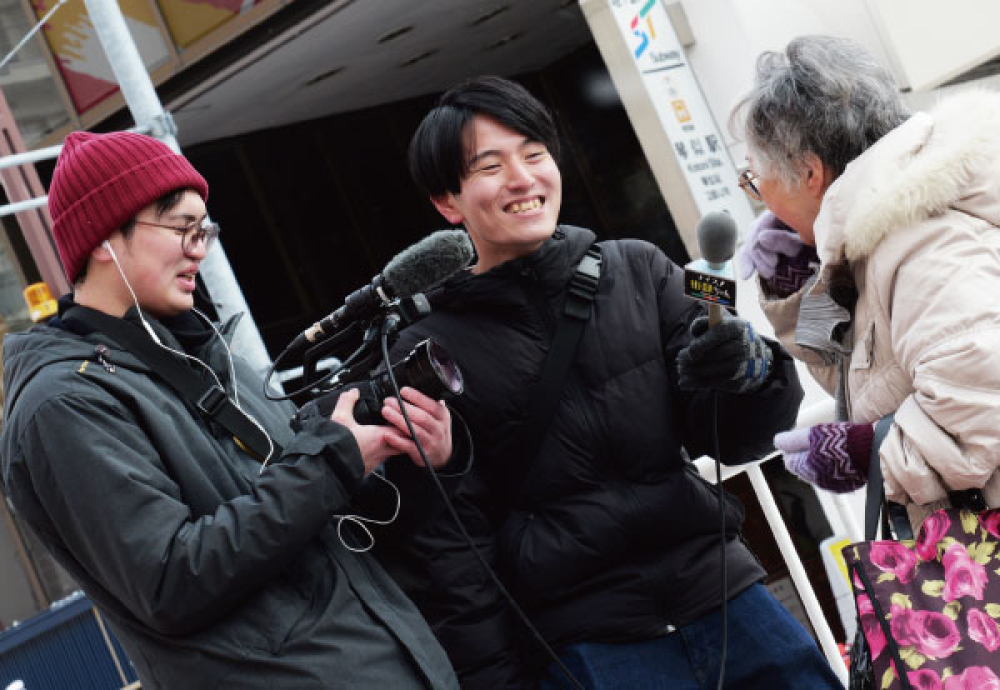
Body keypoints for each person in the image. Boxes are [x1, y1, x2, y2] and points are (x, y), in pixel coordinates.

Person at [374, 75, 842, 689]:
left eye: (535, 154)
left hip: (728, 600)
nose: (523, 178)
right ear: (447, 202)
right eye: (491, 165)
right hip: (588, 649)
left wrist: (752, 371)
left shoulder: (642, 265)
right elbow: (453, 553)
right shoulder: (424, 354)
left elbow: (732, 434)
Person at [0, 130, 462, 690]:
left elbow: (309, 521)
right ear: (103, 238)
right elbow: (171, 581)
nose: (200, 247)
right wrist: (332, 462)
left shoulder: (206, 358)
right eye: (182, 228)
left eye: (206, 230)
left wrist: (399, 457)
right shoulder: (62, 405)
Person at [732, 35, 1000, 527]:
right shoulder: (877, 241)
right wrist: (801, 282)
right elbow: (853, 374)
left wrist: (865, 452)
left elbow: (985, 412)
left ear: (810, 173)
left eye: (754, 181)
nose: (761, 201)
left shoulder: (924, 246)